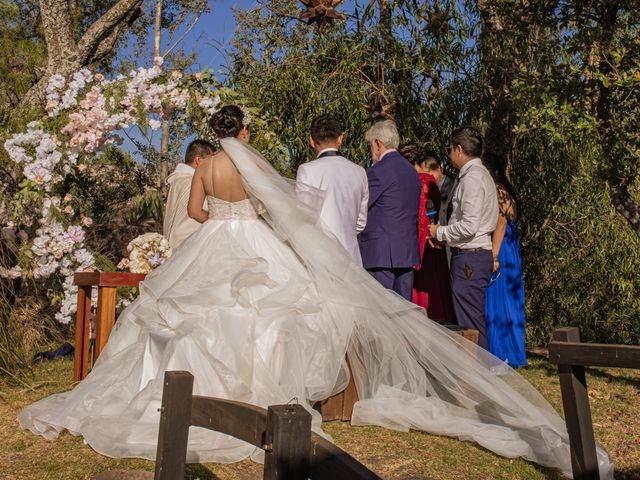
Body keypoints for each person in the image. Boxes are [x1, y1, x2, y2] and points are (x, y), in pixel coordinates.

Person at [18, 107, 613, 478]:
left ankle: (185, 399)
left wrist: (218, 225)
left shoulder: (204, 166)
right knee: (269, 314)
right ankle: (260, 398)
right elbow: (280, 212)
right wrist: (248, 222)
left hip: (213, 242)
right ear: (244, 130)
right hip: (253, 239)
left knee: (192, 315)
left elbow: (198, 212)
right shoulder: (253, 164)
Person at [428, 127, 498, 350]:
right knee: (471, 318)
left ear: (459, 149)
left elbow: (469, 226)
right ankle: (481, 373)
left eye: (449, 150)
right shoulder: (479, 176)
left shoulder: (472, 180)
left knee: (470, 325)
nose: (449, 155)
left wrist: (439, 232)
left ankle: (482, 374)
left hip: (470, 257)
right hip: (473, 256)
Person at [359, 120, 421, 300]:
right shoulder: (411, 171)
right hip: (406, 253)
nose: (371, 150)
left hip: (380, 254)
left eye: (370, 145)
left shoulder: (378, 172)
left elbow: (360, 206)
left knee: (381, 313)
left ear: (378, 143)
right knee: (403, 313)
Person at [295, 114, 369, 265]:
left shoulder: (307, 170)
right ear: (340, 139)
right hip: (351, 255)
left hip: (320, 256)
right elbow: (361, 222)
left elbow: (303, 217)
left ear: (311, 141)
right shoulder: (359, 171)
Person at [399, 145, 454, 323]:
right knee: (435, 292)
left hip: (412, 243)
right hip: (431, 243)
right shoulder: (430, 182)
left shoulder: (403, 181)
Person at [483, 153, 527, 368]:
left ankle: (500, 353)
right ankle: (511, 351)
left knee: (497, 298)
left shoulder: (497, 192)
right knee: (509, 300)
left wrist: (493, 254)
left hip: (501, 249)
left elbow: (501, 223)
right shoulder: (507, 192)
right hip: (510, 250)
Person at [163, 140, 214, 250]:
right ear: (199, 160)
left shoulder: (178, 180)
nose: (213, 166)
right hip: (189, 245)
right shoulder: (192, 183)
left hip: (174, 245)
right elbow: (202, 212)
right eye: (211, 161)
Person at [425, 155, 455, 226]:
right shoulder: (427, 189)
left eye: (429, 174)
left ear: (438, 168)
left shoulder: (454, 186)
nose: (426, 179)